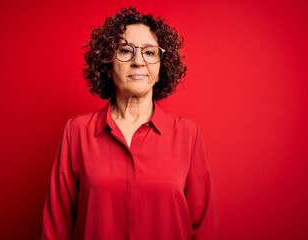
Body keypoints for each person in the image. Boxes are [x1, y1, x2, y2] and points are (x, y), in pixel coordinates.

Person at [41, 7, 219, 240]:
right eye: (125, 50)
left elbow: (204, 227)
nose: (138, 61)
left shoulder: (188, 133)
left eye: (149, 52)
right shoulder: (77, 132)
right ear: (107, 64)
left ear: (161, 66)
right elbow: (57, 226)